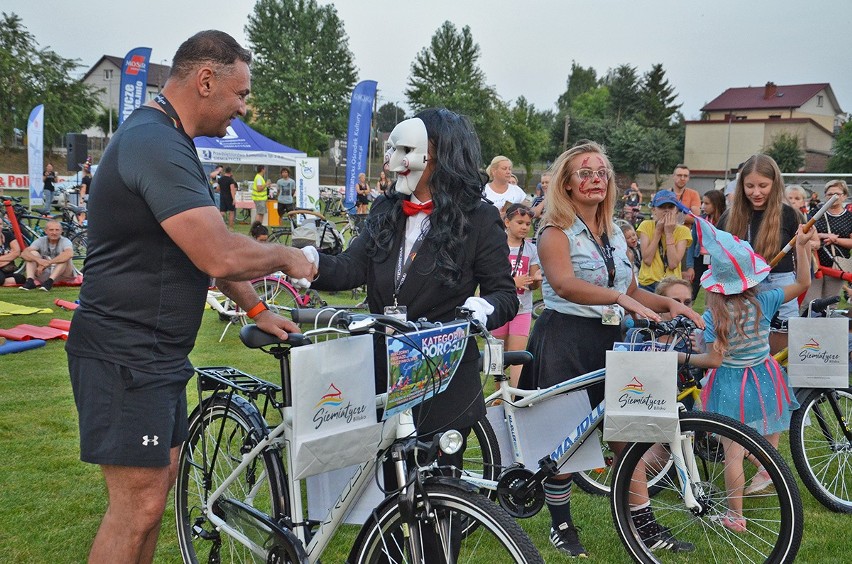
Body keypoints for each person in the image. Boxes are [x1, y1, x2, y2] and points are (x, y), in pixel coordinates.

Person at [64, 30, 316, 564]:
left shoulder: (168, 141)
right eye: (240, 94)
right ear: (206, 80)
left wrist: (256, 308)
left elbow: (200, 251)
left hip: (153, 355)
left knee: (155, 496)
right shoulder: (153, 143)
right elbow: (220, 254)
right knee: (137, 505)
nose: (242, 110)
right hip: (124, 354)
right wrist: (288, 257)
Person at [308, 108, 518, 477]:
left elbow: (504, 293)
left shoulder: (479, 218)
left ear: (440, 153)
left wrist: (481, 309)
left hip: (444, 373)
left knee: (439, 495)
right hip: (382, 369)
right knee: (393, 485)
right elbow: (351, 267)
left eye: (406, 149)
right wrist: (306, 262)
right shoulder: (386, 208)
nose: (393, 162)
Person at [518, 140, 701, 557]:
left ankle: (645, 525)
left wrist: (668, 302)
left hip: (613, 341)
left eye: (601, 172)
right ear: (565, 182)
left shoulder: (615, 231)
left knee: (629, 436)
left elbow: (631, 287)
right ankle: (561, 526)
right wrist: (617, 299)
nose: (595, 179)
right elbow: (563, 283)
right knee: (567, 439)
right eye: (584, 172)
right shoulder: (553, 230)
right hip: (567, 338)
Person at [678, 215, 812, 532]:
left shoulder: (712, 316)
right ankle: (770, 468)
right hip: (765, 377)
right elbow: (804, 284)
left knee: (733, 453)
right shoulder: (765, 300)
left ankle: (736, 517)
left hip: (728, 386)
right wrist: (802, 249)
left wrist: (683, 358)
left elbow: (711, 361)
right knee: (767, 432)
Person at [717, 153, 803, 354]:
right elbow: (719, 259)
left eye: (763, 186)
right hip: (742, 287)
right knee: (744, 348)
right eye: (750, 186)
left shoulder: (790, 215)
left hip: (782, 285)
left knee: (783, 352)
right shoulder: (729, 216)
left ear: (775, 183)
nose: (756, 192)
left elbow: (801, 262)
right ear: (741, 186)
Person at [492, 204, 542, 387]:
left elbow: (533, 282)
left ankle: (513, 397)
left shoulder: (531, 250)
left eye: (528, 224)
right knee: (498, 354)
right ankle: (499, 396)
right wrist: (514, 282)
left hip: (522, 309)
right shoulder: (496, 246)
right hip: (498, 307)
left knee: (517, 354)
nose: (524, 227)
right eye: (519, 222)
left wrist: (536, 280)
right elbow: (489, 278)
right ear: (507, 222)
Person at [803, 180, 852, 303]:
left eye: (837, 194)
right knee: (812, 302)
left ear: (845, 196)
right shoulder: (815, 214)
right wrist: (823, 235)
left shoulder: (849, 217)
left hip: (836, 265)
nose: (833, 197)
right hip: (815, 264)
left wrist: (836, 240)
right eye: (829, 194)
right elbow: (804, 232)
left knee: (830, 303)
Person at [636, 190, 692, 292]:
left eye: (670, 207)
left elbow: (673, 264)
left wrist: (669, 234)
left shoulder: (683, 231)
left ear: (676, 210)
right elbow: (647, 260)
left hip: (671, 284)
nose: (666, 211)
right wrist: (658, 231)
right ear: (654, 210)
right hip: (648, 283)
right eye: (662, 207)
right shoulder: (646, 225)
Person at [684, 189, 726, 299]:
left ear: (716, 204)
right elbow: (692, 244)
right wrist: (690, 266)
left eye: (707, 203)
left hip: (716, 262)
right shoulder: (699, 220)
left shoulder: (726, 221)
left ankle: (712, 314)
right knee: (690, 293)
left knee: (715, 295)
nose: (703, 206)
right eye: (702, 203)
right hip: (699, 259)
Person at [18, 220, 76, 291]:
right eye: (51, 230)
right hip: (44, 272)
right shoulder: (40, 240)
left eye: (57, 230)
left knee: (64, 256)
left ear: (61, 231)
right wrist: (39, 260)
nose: (54, 233)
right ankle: (30, 281)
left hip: (62, 275)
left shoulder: (65, 241)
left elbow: (69, 254)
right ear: (46, 231)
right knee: (32, 253)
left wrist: (49, 263)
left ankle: (49, 282)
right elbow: (24, 253)